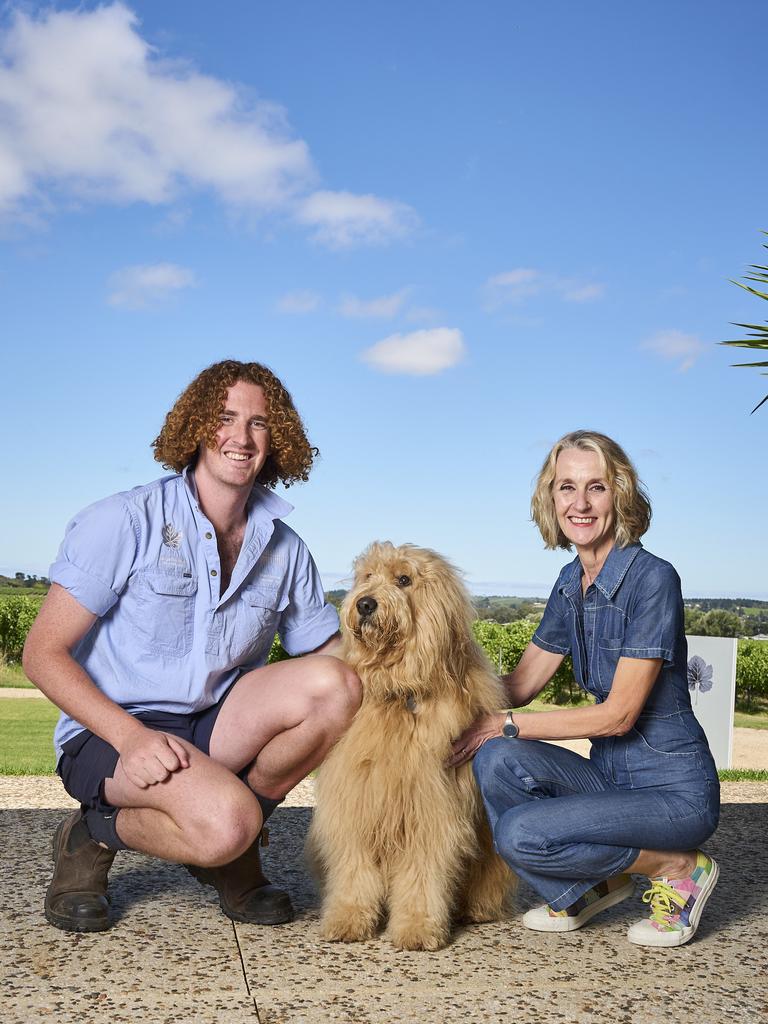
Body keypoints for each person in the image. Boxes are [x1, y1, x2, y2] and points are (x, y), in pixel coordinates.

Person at [23, 359, 360, 933]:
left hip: (215, 723)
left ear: (278, 439)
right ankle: (94, 832)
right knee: (224, 824)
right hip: (113, 730)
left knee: (341, 687)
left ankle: (233, 837)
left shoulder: (285, 547)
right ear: (195, 427)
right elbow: (42, 654)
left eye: (259, 423)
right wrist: (130, 737)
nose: (241, 436)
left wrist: (428, 678)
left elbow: (328, 658)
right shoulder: (125, 520)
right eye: (225, 418)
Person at [450, 430, 720, 948]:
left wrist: (499, 724)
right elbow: (521, 685)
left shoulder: (653, 579)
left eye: (595, 487)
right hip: (609, 779)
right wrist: (441, 687)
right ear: (550, 499)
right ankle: (582, 889)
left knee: (520, 834)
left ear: (619, 494)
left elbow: (617, 716)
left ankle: (678, 866)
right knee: (495, 759)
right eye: (566, 487)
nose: (580, 503)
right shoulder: (569, 582)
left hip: (673, 795)